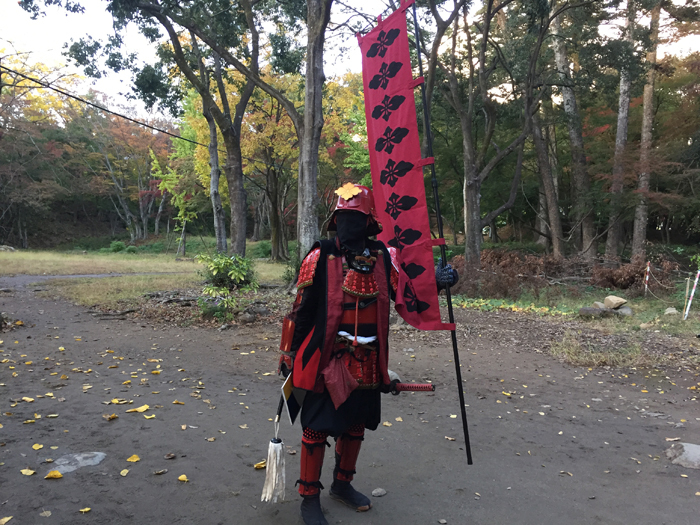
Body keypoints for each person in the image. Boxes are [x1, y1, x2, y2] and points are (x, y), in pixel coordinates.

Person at [278, 184, 457, 525]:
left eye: (356, 217)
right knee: (315, 429)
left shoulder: (383, 258)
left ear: (369, 222)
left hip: (370, 361)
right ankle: (308, 498)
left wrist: (437, 281)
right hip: (327, 358)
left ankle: (342, 485)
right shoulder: (320, 256)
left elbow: (406, 292)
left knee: (356, 427)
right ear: (335, 220)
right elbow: (300, 310)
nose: (348, 224)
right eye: (344, 217)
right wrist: (288, 355)